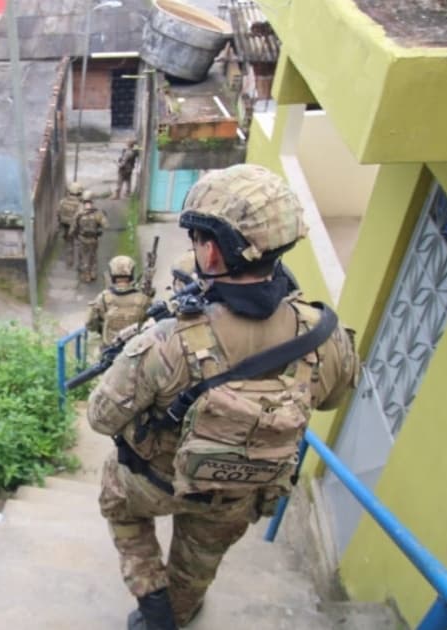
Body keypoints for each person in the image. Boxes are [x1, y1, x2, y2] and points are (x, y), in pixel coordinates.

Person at [86, 165, 360, 630]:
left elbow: (99, 416)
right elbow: (334, 399)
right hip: (237, 493)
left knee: (116, 499)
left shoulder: (164, 343)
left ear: (211, 251)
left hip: (155, 481)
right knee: (199, 562)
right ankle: (177, 609)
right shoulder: (324, 336)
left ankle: (149, 593)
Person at [87, 256, 153, 350]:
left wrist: (102, 327)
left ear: (112, 274)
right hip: (135, 350)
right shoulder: (143, 299)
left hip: (109, 350)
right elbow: (151, 323)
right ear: (132, 273)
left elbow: (90, 324)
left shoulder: (102, 298)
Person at [72, 191, 107, 283]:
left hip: (82, 239)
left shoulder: (79, 213)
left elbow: (73, 227)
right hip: (94, 239)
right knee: (93, 256)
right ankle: (93, 273)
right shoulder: (97, 213)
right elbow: (106, 225)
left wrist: (72, 235)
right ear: (92, 201)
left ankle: (86, 275)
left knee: (84, 258)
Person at [58, 182, 85, 268]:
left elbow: (58, 213)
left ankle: (69, 263)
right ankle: (81, 264)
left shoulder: (62, 202)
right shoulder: (80, 205)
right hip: (77, 227)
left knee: (69, 245)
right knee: (81, 245)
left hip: (65, 226)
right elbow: (82, 217)